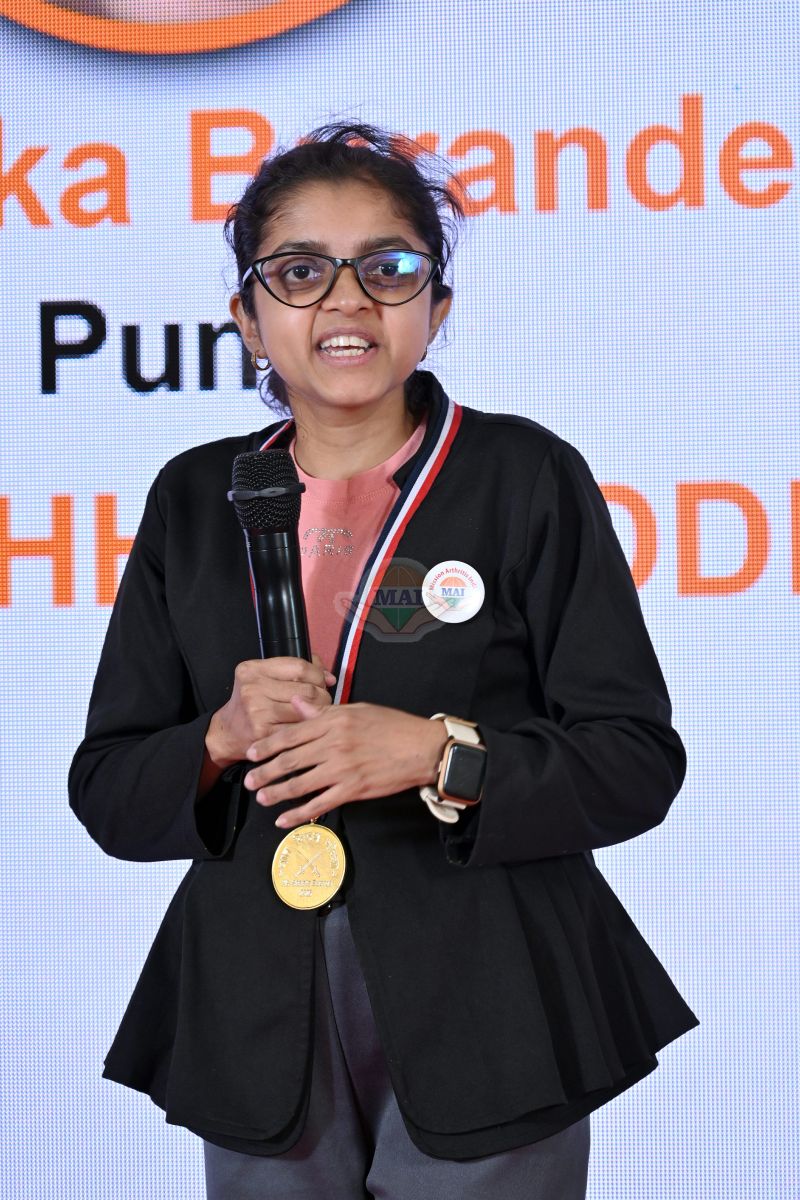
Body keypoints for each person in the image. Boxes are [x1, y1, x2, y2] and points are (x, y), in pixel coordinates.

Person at [69, 122, 698, 1200]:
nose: (347, 301)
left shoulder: (523, 475)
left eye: (389, 268)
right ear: (248, 317)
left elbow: (635, 762)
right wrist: (217, 740)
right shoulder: (195, 497)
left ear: (435, 308)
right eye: (300, 272)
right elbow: (110, 794)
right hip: (257, 1004)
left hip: (493, 990)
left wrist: (439, 754)